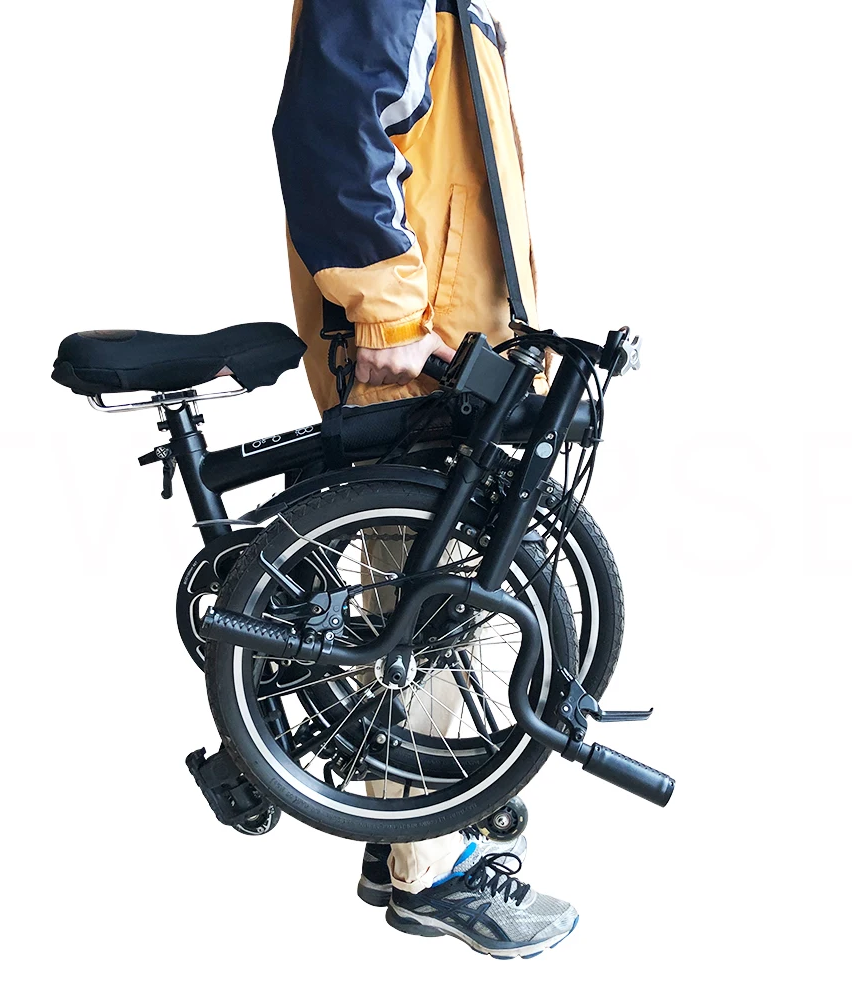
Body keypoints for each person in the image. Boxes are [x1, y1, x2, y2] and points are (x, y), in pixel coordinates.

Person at [271, 0, 578, 957]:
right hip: (418, 344)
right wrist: (391, 316)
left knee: (427, 590)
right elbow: (330, 125)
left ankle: (399, 824)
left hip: (456, 337)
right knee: (426, 601)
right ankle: (430, 864)